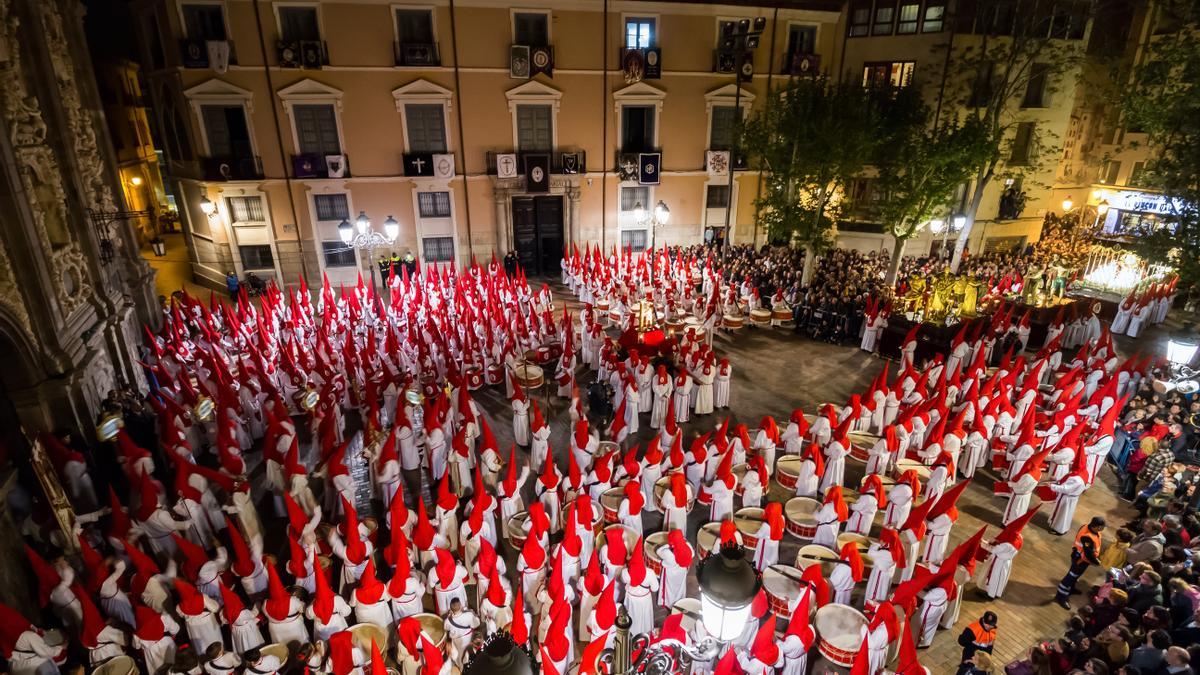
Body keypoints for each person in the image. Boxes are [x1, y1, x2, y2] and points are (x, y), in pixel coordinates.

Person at [1054, 516, 1105, 609]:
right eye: (1102, 527)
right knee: (1070, 577)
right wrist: (1097, 562)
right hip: (1081, 560)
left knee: (1075, 576)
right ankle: (1060, 596)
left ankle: (1071, 589)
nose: (1102, 529)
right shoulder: (1087, 537)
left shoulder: (1086, 526)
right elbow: (1088, 553)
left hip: (1080, 557)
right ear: (1096, 527)